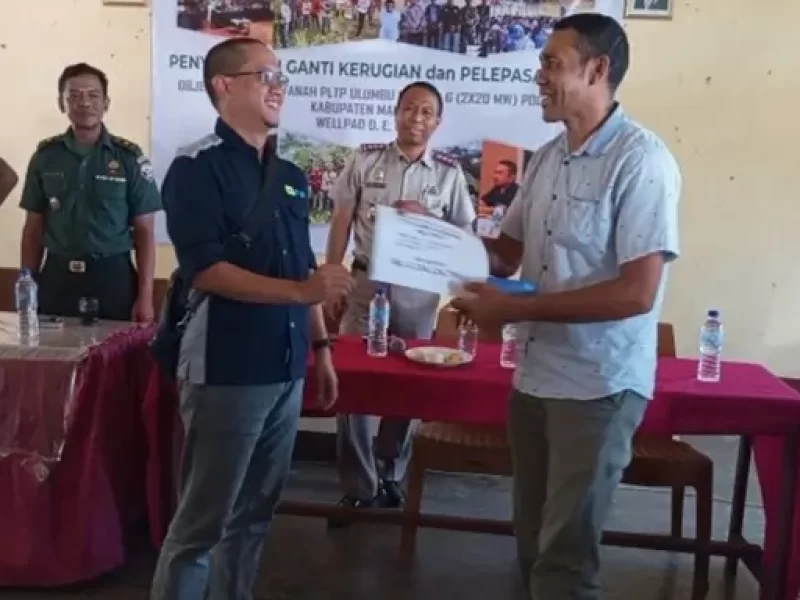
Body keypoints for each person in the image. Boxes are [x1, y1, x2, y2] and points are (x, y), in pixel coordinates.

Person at [452, 13, 681, 600]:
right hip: (535, 379)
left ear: (597, 69)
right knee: (532, 545)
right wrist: (430, 236)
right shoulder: (548, 157)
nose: (539, 76)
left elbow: (637, 293)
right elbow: (505, 254)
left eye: (552, 63)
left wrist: (517, 311)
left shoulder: (641, 160)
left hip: (598, 386)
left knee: (565, 560)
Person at [150, 38, 352, 600]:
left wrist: (321, 349)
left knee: (255, 516)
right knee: (202, 524)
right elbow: (206, 270)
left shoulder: (289, 174)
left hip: (286, 366)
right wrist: (303, 290)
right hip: (227, 367)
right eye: (266, 75)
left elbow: (303, 265)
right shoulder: (196, 168)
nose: (278, 86)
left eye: (281, 76)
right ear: (224, 85)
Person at [325, 81, 476, 513]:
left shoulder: (448, 173)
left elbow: (464, 238)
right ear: (395, 113)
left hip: (417, 290)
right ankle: (359, 486)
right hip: (364, 284)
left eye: (426, 112)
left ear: (437, 122)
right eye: (409, 109)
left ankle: (390, 471)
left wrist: (428, 219)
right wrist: (332, 275)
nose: (416, 118)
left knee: (410, 381)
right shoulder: (365, 159)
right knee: (352, 380)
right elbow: (341, 219)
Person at [19, 63, 161, 322]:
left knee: (114, 347)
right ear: (61, 104)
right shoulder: (45, 157)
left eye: (93, 95)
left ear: (106, 103)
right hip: (57, 276)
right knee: (52, 347)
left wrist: (146, 296)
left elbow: (145, 231)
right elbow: (33, 229)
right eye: (74, 95)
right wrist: (27, 283)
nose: (84, 103)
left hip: (113, 277)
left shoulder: (129, 158)